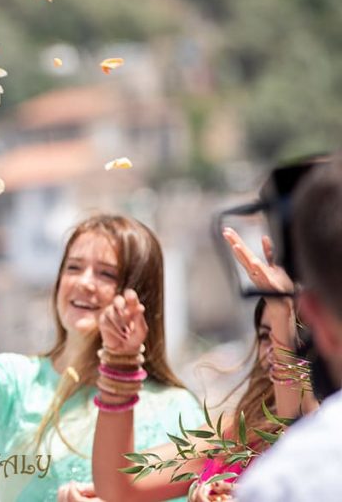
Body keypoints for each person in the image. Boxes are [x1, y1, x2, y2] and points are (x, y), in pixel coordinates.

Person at [0, 214, 203, 501]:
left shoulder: (176, 409)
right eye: (73, 268)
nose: (84, 283)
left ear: (139, 294)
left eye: (106, 274)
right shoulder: (16, 381)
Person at [83, 228, 315, 502]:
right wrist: (120, 359)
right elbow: (121, 483)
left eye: (290, 333)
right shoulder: (240, 432)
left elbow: (301, 445)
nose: (275, 348)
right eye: (267, 335)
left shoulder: (329, 433)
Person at [234, 156, 342, 501]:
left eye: (299, 332)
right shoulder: (245, 428)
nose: (277, 349)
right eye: (267, 335)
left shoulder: (286, 480)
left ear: (318, 321)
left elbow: (300, 418)